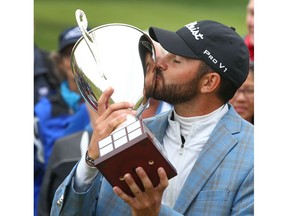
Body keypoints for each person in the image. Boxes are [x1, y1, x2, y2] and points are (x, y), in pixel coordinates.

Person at [51, 20, 254, 215]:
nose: (159, 64)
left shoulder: (254, 155)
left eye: (176, 60)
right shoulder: (129, 131)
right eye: (166, 54)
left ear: (209, 82)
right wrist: (89, 162)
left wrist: (153, 214)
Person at [34, 26, 90, 215]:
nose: (77, 60)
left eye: (85, 52)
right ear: (59, 63)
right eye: (70, 54)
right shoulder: (43, 110)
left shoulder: (112, 103)